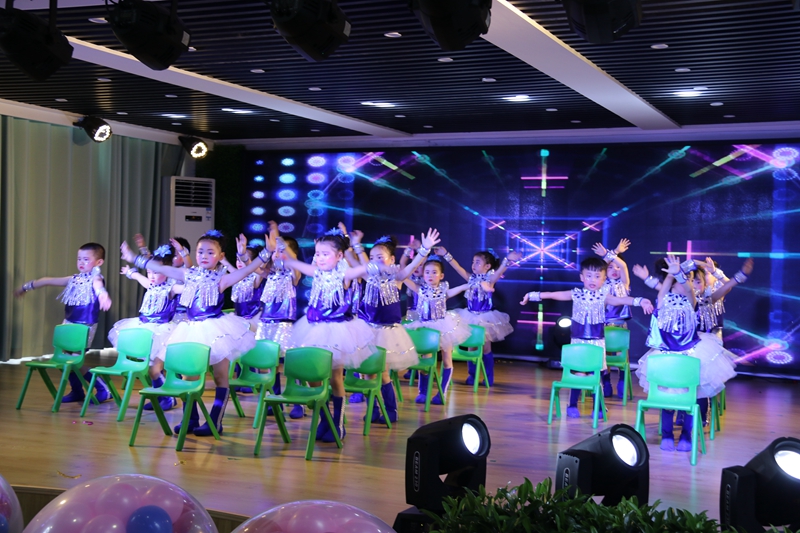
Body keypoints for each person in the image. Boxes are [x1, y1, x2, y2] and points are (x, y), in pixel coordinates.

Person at [280, 227, 427, 442]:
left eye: (325, 254)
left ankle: (338, 424)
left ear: (339, 256)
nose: (320, 258)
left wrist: (382, 262)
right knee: (313, 377)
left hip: (337, 332)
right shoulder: (316, 272)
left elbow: (364, 267)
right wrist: (279, 248)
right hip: (313, 330)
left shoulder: (345, 274)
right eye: (318, 254)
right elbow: (294, 262)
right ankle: (325, 419)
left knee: (336, 379)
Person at [121, 230, 266, 437]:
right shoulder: (187, 274)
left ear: (220, 256)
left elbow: (248, 270)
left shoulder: (222, 279)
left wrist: (266, 253)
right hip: (191, 329)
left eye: (210, 252)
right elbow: (161, 268)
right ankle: (190, 417)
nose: (204, 256)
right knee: (188, 376)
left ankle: (215, 420)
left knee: (220, 376)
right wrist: (134, 258)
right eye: (200, 252)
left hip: (217, 331)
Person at [634, 255, 751, 452]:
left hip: (690, 354)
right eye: (686, 279)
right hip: (666, 357)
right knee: (667, 399)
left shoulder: (692, 301)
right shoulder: (663, 299)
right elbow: (663, 289)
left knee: (691, 396)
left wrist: (680, 274)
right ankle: (667, 435)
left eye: (690, 279)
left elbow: (690, 290)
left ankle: (687, 436)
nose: (689, 283)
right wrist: (671, 274)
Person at [521, 257, 653, 418]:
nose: (593, 280)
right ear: (582, 277)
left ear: (603, 279)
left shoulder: (604, 296)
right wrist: (532, 295)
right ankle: (572, 404)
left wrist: (641, 301)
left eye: (597, 276)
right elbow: (554, 294)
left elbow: (621, 300)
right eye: (589, 276)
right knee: (578, 375)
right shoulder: (576, 294)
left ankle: (598, 407)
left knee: (596, 376)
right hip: (578, 343)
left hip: (597, 343)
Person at [353, 232, 437, 423]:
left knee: (383, 373)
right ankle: (373, 409)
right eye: (372, 258)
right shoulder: (368, 276)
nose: (375, 261)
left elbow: (412, 266)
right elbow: (359, 261)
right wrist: (356, 245)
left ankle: (391, 410)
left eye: (380, 257)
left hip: (387, 333)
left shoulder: (397, 278)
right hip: (368, 330)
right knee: (367, 373)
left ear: (391, 260)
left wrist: (424, 249)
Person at [15, 242, 113, 403]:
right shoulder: (73, 279)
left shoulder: (96, 278)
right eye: (79, 259)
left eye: (86, 259)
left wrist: (103, 295)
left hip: (85, 326)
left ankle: (103, 388)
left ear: (99, 262)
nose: (81, 262)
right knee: (64, 360)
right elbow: (48, 280)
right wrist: (25, 287)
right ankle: (77, 391)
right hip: (68, 323)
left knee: (75, 362)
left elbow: (98, 286)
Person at [436, 246, 522, 387]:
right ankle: (472, 375)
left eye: (477, 262)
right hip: (469, 316)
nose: (473, 265)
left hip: (485, 318)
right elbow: (458, 268)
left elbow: (500, 271)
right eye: (473, 262)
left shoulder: (490, 280)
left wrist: (507, 260)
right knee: (471, 347)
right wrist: (446, 254)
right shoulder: (470, 278)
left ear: (487, 266)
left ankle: (488, 376)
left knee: (486, 349)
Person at [110, 244, 181, 411]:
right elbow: (138, 277)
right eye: (149, 272)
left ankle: (167, 398)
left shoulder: (171, 288)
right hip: (144, 330)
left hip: (162, 332)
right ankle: (162, 397)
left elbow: (185, 287)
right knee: (151, 370)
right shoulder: (150, 285)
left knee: (155, 369)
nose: (152, 276)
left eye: (156, 272)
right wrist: (130, 272)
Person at [403, 254, 473, 406]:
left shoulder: (444, 291)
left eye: (434, 272)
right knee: (425, 360)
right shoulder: (419, 289)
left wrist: (473, 285)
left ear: (441, 276)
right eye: (427, 272)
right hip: (425, 328)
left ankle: (442, 392)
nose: (430, 275)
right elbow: (403, 277)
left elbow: (462, 287)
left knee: (447, 359)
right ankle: (423, 391)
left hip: (443, 327)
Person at [256, 222, 303, 418]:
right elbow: (255, 268)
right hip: (266, 322)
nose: (278, 254)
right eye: (276, 251)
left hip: (285, 322)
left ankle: (298, 400)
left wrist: (279, 240)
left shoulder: (293, 273)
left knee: (292, 362)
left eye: (282, 250)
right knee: (269, 364)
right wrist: (268, 251)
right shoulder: (270, 273)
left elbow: (294, 266)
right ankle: (274, 401)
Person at [592, 238, 632, 398]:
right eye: (610, 267)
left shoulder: (624, 283)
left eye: (617, 267)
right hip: (604, 326)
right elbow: (601, 267)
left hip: (620, 326)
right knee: (605, 356)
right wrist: (611, 254)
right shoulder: (601, 284)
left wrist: (615, 253)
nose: (615, 269)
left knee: (623, 356)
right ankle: (606, 382)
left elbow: (623, 266)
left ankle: (622, 382)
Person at [230, 233, 265, 332]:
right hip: (238, 318)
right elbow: (228, 266)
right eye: (238, 259)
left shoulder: (256, 277)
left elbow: (261, 265)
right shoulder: (237, 276)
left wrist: (268, 251)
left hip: (253, 318)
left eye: (243, 259)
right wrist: (222, 259)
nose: (239, 262)